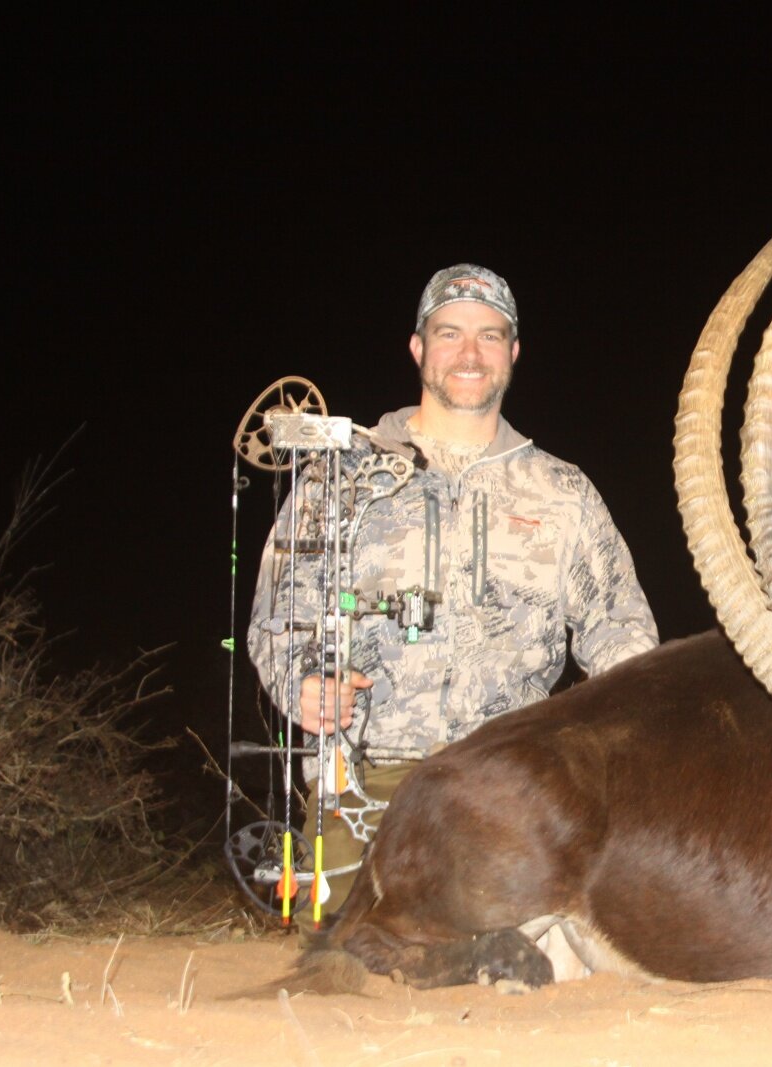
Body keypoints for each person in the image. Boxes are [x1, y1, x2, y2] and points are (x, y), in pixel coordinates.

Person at [248, 263, 658, 918]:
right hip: (368, 781)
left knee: (532, 944)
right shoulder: (343, 476)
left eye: (490, 336)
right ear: (418, 348)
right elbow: (280, 613)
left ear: (513, 352)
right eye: (450, 333)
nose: (470, 353)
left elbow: (624, 639)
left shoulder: (564, 492)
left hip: (513, 782)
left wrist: (611, 748)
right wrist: (303, 681)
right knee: (351, 956)